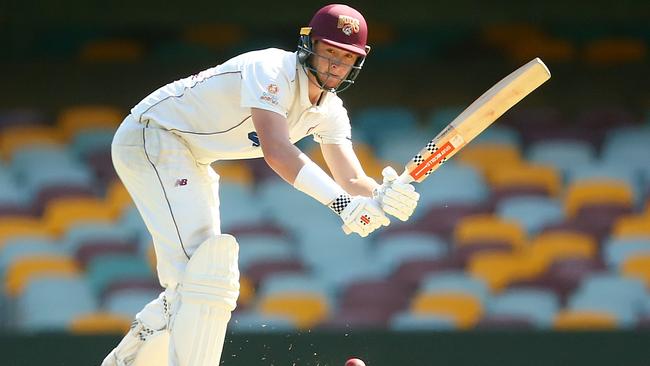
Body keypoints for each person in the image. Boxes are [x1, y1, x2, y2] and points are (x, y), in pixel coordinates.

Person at [102, 4, 420, 366]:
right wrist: (343, 205)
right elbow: (278, 151)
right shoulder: (271, 70)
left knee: (202, 278)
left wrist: (382, 196)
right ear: (308, 44)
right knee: (203, 276)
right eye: (329, 51)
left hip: (190, 154)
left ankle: (123, 359)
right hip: (152, 135)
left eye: (346, 57)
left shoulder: (330, 110)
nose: (335, 64)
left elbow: (351, 179)